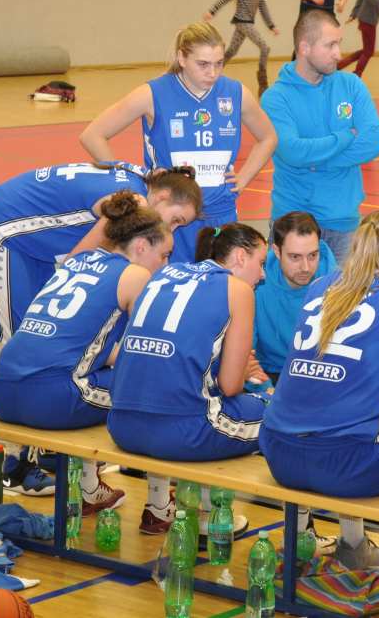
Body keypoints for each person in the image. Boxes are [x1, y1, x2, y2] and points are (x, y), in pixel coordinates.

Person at [260, 211, 379, 584]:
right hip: (348, 464)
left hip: (278, 452)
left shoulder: (320, 287)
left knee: (354, 417)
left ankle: (349, 543)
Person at [0, 192, 172, 514]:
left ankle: (84, 484)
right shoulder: (137, 275)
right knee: (156, 394)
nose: (165, 264)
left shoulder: (77, 261)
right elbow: (143, 356)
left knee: (101, 375)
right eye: (165, 255)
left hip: (0, 389)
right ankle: (159, 505)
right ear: (142, 246)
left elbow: (90, 347)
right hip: (52, 398)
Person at [109, 223, 268, 535]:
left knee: (192, 396)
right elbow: (231, 386)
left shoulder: (164, 275)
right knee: (274, 416)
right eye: (260, 263)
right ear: (239, 256)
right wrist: (243, 371)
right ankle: (208, 515)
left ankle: (159, 506)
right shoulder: (238, 290)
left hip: (122, 426)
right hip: (183, 433)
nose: (262, 274)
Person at [78, 21, 278, 262]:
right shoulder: (153, 94)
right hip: (170, 221)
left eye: (219, 63)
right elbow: (93, 135)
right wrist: (130, 182)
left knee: (218, 282)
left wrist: (243, 179)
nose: (212, 73)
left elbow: (268, 137)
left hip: (220, 213)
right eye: (203, 64)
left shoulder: (236, 93)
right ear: (182, 58)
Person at [0, 161, 200, 343]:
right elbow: (74, 265)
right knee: (24, 340)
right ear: (163, 196)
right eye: (175, 220)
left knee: (41, 330)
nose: (171, 229)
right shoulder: (136, 202)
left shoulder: (139, 178)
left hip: (31, 244)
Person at [262, 10, 379, 263]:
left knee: (342, 290)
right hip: (292, 224)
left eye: (339, 43)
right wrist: (344, 137)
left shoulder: (352, 85)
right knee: (288, 290)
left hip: (344, 224)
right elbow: (293, 151)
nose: (338, 53)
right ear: (304, 48)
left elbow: (373, 142)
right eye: (330, 45)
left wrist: (316, 162)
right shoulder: (275, 98)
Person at [253, 211, 338, 382]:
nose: (306, 267)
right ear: (277, 251)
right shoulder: (256, 282)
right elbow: (246, 354)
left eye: (313, 255)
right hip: (271, 372)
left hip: (318, 371)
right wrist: (264, 388)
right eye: (295, 257)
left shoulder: (335, 282)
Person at [205, 0, 279, 94]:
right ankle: (263, 84)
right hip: (243, 22)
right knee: (265, 47)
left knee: (232, 51)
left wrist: (271, 25)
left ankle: (213, 72)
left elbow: (262, 6)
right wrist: (212, 10)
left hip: (246, 22)